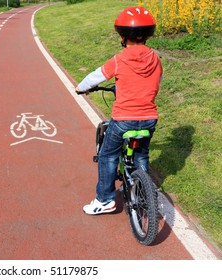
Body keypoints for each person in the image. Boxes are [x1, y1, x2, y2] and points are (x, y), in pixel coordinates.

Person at [75, 6, 163, 215]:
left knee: (107, 156)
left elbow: (95, 77)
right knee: (141, 154)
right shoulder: (155, 59)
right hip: (149, 118)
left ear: (122, 36)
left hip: (124, 119)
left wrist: (81, 88)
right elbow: (154, 82)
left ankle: (105, 199)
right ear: (148, 34)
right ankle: (142, 190)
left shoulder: (119, 59)